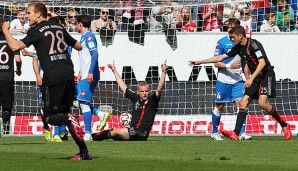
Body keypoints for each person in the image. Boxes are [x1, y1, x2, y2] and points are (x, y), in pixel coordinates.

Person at [2, 2, 91, 160]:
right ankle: (84, 152)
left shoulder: (36, 30)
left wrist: (5, 30)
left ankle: (71, 120)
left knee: (49, 117)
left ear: (39, 14)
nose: (27, 15)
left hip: (53, 77)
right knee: (65, 113)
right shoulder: (59, 27)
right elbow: (78, 46)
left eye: (29, 13)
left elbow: (15, 46)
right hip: (68, 74)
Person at [189, 26, 292, 141]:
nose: (232, 39)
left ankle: (284, 125)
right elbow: (221, 57)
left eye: (233, 37)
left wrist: (250, 79)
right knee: (243, 103)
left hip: (266, 75)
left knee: (263, 103)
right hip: (255, 77)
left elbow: (262, 63)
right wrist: (200, 61)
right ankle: (236, 133)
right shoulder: (239, 48)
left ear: (240, 36)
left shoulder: (254, 44)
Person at [92, 60, 168, 141]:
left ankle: (93, 137)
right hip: (133, 131)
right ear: (138, 92)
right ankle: (95, 136)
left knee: (115, 131)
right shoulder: (136, 98)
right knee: (115, 135)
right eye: (142, 91)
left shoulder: (153, 100)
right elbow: (123, 87)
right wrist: (114, 70)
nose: (144, 93)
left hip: (142, 133)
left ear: (149, 91)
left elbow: (159, 89)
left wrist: (163, 73)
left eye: (146, 91)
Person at [211, 18, 252, 141]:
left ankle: (241, 132)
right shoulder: (222, 42)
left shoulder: (243, 44)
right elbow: (216, 63)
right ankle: (214, 132)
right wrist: (229, 66)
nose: (229, 29)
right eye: (228, 27)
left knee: (242, 104)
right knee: (220, 106)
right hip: (223, 79)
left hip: (237, 80)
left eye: (232, 27)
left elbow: (244, 64)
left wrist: (247, 79)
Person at [76, 15, 110, 142]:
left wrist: (90, 72)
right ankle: (100, 114)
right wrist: (80, 71)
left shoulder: (89, 36)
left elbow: (94, 53)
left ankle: (88, 134)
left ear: (80, 24)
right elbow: (85, 58)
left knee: (84, 104)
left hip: (89, 75)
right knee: (78, 101)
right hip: (84, 74)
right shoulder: (83, 37)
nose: (75, 26)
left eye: (76, 23)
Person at [0, 17, 22, 135]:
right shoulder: (12, 41)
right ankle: (3, 123)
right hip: (6, 77)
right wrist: (19, 70)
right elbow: (18, 60)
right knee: (7, 107)